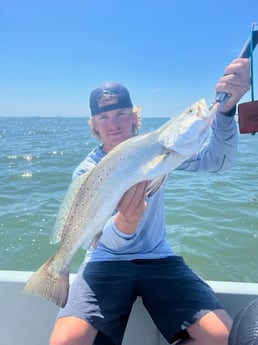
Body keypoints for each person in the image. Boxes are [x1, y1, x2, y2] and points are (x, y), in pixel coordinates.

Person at [50, 58, 250, 345]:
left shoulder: (158, 148)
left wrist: (226, 112)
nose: (113, 124)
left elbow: (218, 160)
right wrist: (126, 223)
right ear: (94, 125)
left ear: (134, 117)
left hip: (158, 257)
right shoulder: (87, 171)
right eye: (104, 118)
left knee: (222, 338)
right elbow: (98, 242)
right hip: (105, 260)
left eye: (120, 114)